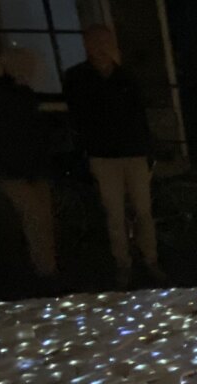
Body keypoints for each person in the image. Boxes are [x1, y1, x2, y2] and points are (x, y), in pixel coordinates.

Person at [64, 24, 161, 287]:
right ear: (86, 45)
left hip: (133, 153)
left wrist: (148, 150)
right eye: (95, 41)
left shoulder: (127, 77)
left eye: (105, 41)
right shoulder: (77, 78)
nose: (100, 46)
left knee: (143, 209)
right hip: (103, 155)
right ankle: (123, 263)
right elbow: (79, 118)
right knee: (114, 212)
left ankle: (150, 258)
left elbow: (140, 115)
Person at [0, 47, 57, 281]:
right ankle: (45, 270)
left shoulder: (26, 94)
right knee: (35, 217)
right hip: (10, 170)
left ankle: (48, 266)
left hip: (34, 168)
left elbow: (35, 133)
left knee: (44, 219)